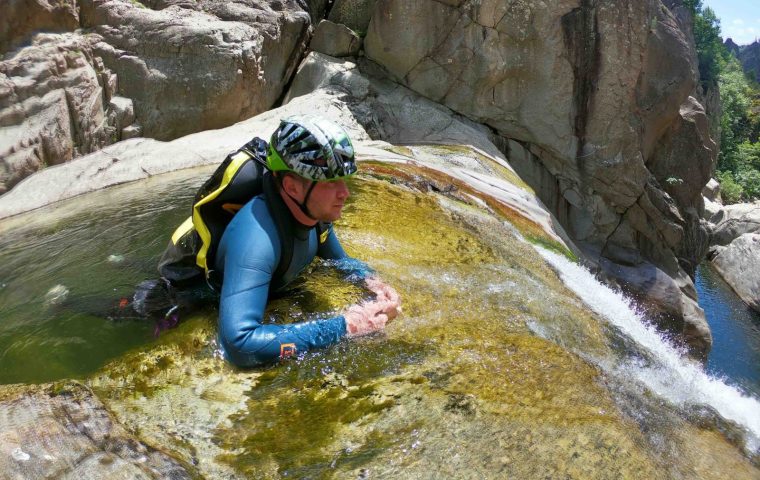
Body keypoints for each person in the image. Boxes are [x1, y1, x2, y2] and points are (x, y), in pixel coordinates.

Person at [213, 115, 400, 367]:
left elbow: (340, 262)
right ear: (292, 187)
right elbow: (240, 344)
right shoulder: (256, 238)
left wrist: (373, 282)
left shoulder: (312, 215)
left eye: (343, 179)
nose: (344, 192)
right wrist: (346, 326)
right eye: (330, 181)